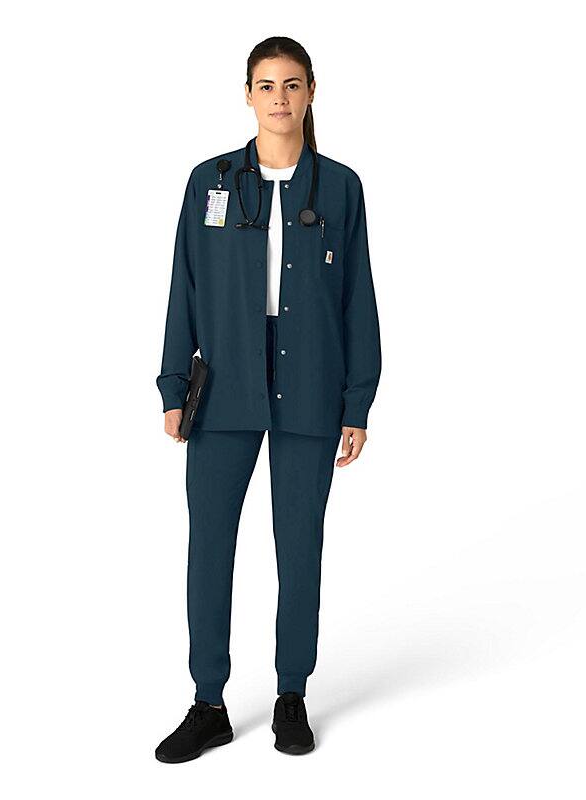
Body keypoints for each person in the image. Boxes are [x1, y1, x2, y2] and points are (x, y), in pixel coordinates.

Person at [154, 36, 381, 762]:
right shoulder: (210, 181)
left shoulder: (340, 187)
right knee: (209, 546)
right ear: (247, 95)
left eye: (291, 84)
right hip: (223, 386)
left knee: (300, 545)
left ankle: (291, 695)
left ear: (311, 92)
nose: (279, 98)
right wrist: (172, 384)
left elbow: (357, 296)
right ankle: (208, 702)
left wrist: (357, 401)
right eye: (265, 85)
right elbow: (185, 284)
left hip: (311, 383)